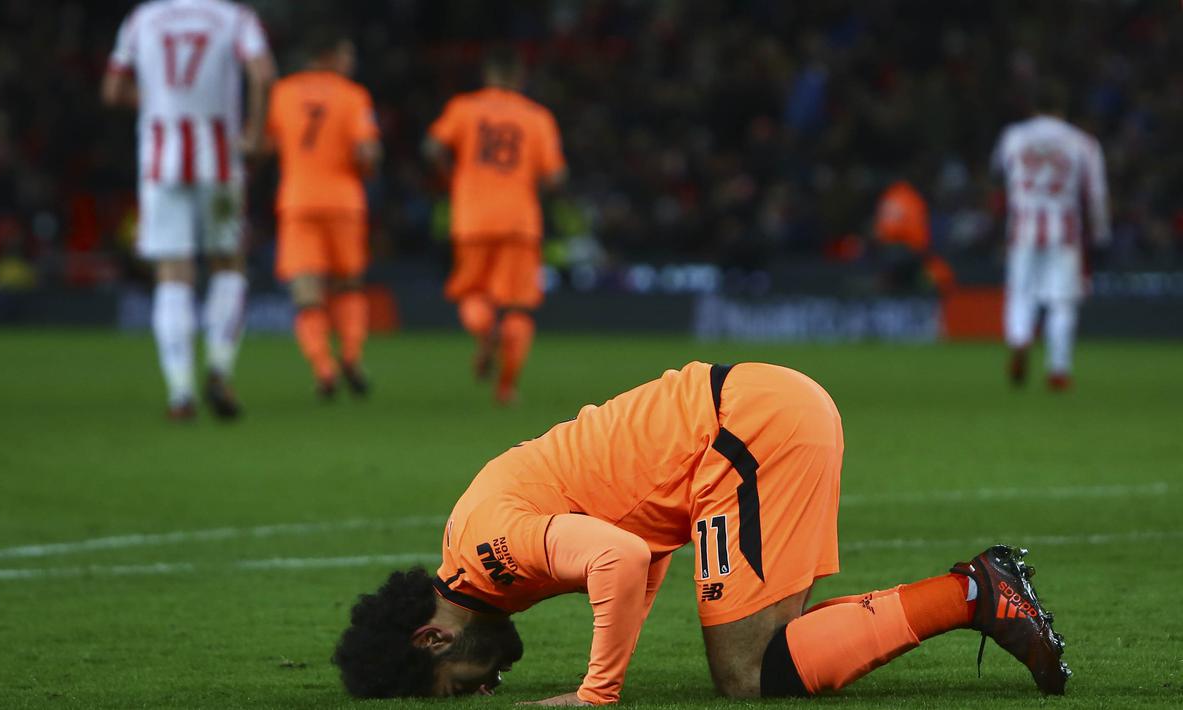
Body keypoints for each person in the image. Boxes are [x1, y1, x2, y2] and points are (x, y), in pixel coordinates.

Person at [333, 362, 1069, 703]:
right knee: (775, 665)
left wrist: (597, 693)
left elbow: (617, 555)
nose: (479, 692)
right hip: (757, 418)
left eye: (453, 690)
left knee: (743, 678)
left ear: (431, 639)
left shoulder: (488, 553)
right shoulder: (473, 541)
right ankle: (973, 591)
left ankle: (974, 591)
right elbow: (634, 546)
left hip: (738, 437)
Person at [102, 0, 275, 420]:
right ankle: (218, 368)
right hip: (219, 161)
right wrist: (254, 132)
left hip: (162, 164)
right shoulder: (235, 18)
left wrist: (159, 99)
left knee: (173, 271)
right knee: (227, 262)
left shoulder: (142, 19)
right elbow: (263, 73)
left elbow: (112, 91)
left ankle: (180, 392)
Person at [423, 47, 567, 405]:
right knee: (517, 307)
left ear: (488, 75)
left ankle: (486, 333)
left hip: (472, 217)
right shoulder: (538, 118)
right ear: (519, 78)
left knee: (473, 293)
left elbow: (430, 147)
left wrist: (453, 176)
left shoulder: (464, 108)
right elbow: (556, 177)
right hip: (520, 220)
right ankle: (506, 388)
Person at [265, 31, 382, 398]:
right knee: (348, 285)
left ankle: (323, 367)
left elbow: (266, 143)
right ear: (330, 55)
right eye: (347, 54)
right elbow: (367, 152)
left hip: (298, 200)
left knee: (306, 292)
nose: (351, 62)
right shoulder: (353, 96)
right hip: (344, 202)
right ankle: (351, 356)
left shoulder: (281, 93)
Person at [991, 82, 1110, 391]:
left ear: (1034, 107)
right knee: (1062, 301)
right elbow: (1096, 194)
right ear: (1063, 109)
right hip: (1065, 230)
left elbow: (996, 176)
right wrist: (1100, 234)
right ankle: (1058, 369)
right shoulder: (1082, 143)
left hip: (1023, 226)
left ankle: (1019, 340)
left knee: (1021, 292)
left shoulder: (1013, 136)